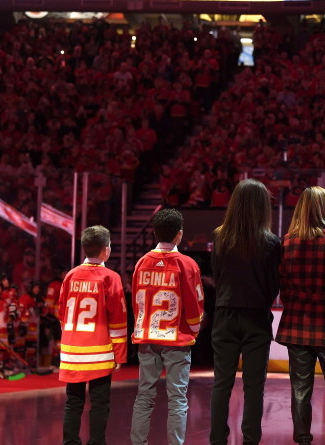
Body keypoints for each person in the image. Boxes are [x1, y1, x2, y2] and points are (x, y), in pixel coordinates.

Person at [275, 186, 325, 445]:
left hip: (296, 325)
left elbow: (283, 286)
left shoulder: (287, 241)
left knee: (300, 390)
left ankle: (302, 439)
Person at [210, 179, 281, 445]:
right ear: (262, 207)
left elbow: (217, 276)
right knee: (254, 387)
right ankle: (250, 440)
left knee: (222, 383)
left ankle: (217, 440)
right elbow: (274, 285)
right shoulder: (271, 243)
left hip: (225, 313)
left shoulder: (220, 236)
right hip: (256, 316)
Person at [130, 208, 204, 445]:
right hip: (176, 340)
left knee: (144, 397)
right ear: (179, 235)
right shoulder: (187, 264)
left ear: (154, 232)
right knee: (177, 399)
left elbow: (136, 301)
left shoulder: (142, 262)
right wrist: (194, 330)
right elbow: (195, 304)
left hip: (147, 338)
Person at [57, 225, 128, 445]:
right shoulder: (111, 277)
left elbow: (61, 313)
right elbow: (118, 319)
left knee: (73, 402)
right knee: (99, 403)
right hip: (98, 352)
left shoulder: (70, 275)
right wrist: (120, 354)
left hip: (72, 352)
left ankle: (70, 442)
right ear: (106, 249)